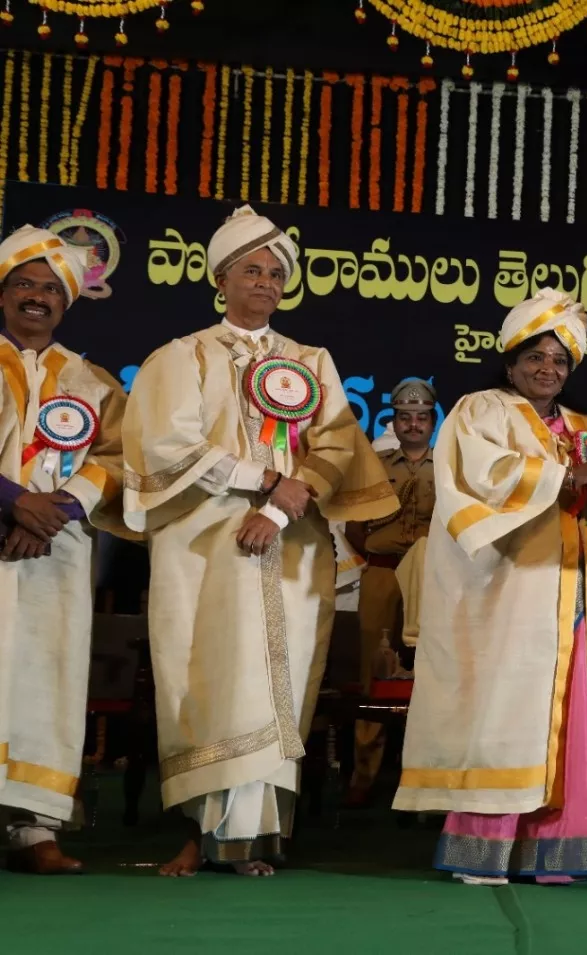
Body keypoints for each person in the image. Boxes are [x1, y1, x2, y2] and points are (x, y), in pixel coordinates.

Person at [121, 205, 397, 877]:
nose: (267, 283)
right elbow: (165, 444)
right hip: (205, 548)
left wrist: (283, 502)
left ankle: (256, 837)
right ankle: (201, 831)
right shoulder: (180, 356)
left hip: (293, 550)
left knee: (278, 683)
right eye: (253, 270)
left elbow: (336, 441)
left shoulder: (311, 361)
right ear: (220, 277)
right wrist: (265, 478)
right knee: (211, 678)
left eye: (277, 273)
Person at [393, 288, 587, 885]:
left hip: (578, 600)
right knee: (505, 714)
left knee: (574, 716)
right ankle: (485, 852)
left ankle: (553, 854)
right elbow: (483, 475)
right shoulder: (481, 411)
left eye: (559, 360)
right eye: (535, 358)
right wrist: (563, 477)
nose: (547, 369)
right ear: (509, 363)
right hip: (512, 599)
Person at [0, 225, 127, 875]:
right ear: (2, 293)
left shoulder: (91, 380)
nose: (37, 296)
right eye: (24, 283)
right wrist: (12, 498)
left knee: (44, 679)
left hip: (54, 555)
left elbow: (118, 456)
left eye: (51, 288)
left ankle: (33, 827)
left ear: (67, 303)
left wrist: (58, 508)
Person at [343, 378, 438, 806]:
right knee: (373, 670)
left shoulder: (451, 465)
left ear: (432, 422)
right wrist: (381, 558)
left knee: (435, 669)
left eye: (421, 417)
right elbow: (354, 527)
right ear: (393, 422)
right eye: (405, 417)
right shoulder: (375, 465)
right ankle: (364, 774)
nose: (413, 425)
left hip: (435, 578)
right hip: (382, 572)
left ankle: (426, 775)